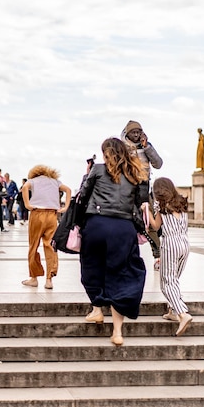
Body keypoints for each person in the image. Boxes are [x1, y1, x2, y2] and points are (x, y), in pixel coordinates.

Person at [79, 137, 147, 346]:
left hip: (97, 225)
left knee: (93, 267)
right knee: (122, 274)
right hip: (123, 228)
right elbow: (141, 202)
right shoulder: (135, 173)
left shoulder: (98, 170)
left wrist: (87, 174)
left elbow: (83, 195)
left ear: (106, 153)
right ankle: (117, 332)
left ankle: (97, 309)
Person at [147, 177, 192, 336]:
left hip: (171, 244)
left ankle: (182, 313)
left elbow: (154, 226)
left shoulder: (162, 205)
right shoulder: (182, 202)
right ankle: (173, 311)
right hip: (185, 244)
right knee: (174, 279)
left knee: (166, 282)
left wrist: (146, 209)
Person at [21, 165, 71, 290]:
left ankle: (34, 278)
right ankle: (49, 280)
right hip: (52, 215)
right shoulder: (55, 182)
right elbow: (68, 190)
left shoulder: (33, 181)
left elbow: (24, 188)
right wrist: (65, 207)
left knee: (33, 245)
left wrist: (27, 204)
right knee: (50, 246)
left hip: (37, 213)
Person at [122, 120, 163, 270]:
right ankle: (127, 256)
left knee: (150, 223)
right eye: (133, 132)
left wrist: (147, 148)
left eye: (138, 132)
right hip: (127, 189)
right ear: (127, 133)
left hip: (144, 189)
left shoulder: (146, 146)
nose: (136, 135)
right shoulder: (122, 147)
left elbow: (158, 164)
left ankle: (157, 255)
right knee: (127, 223)